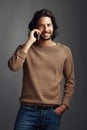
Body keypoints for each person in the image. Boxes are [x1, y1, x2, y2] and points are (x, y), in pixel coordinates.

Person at [8, 9, 75, 130]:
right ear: (35, 28)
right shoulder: (25, 48)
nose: (46, 29)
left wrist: (64, 105)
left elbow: (70, 81)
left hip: (52, 112)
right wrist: (29, 41)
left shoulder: (64, 51)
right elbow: (14, 66)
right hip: (27, 111)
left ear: (53, 26)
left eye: (49, 25)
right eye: (41, 25)